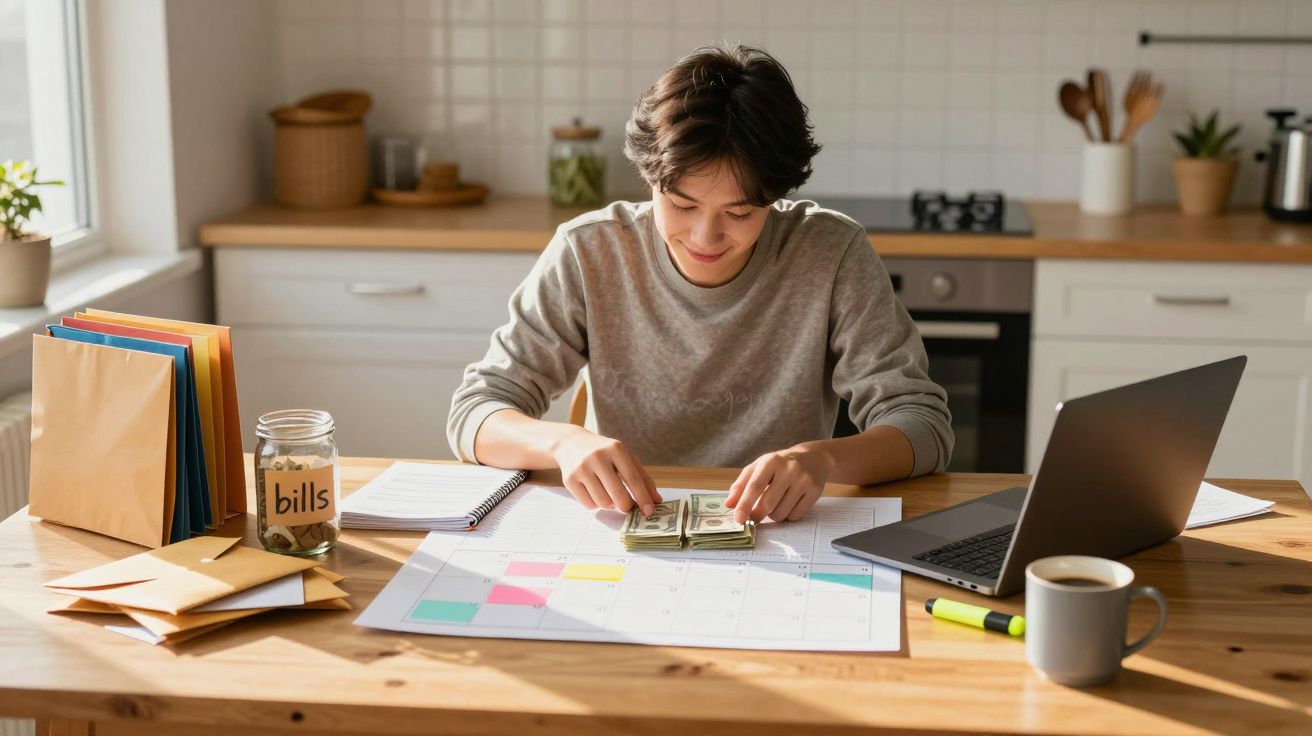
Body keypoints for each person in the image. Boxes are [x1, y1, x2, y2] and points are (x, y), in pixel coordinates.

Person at [448, 44, 952, 525]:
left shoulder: (831, 253)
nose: (704, 237)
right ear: (649, 178)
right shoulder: (589, 251)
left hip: (778, 532)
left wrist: (822, 460)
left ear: (774, 196)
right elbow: (475, 412)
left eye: (739, 212)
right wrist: (563, 443)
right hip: (626, 529)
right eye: (682, 205)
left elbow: (923, 425)